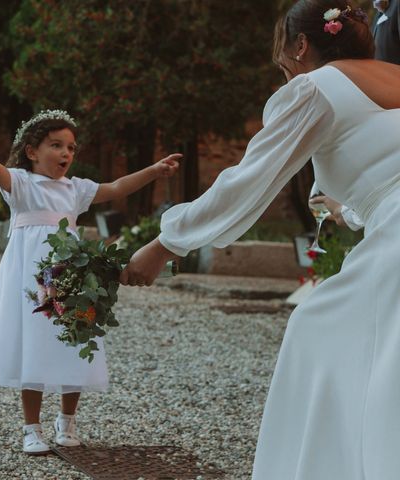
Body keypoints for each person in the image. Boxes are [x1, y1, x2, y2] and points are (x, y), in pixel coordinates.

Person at [121, 1, 400, 478]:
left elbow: (246, 182)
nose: (285, 71)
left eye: (282, 60)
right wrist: (352, 210)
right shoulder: (392, 75)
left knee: (317, 332)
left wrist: (165, 243)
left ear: (301, 45)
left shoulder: (317, 87)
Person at [0, 110, 181, 455]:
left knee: (74, 339)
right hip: (30, 277)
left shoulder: (75, 190)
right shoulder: (20, 183)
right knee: (32, 344)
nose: (66, 153)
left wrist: (154, 170)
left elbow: (118, 187)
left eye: (71, 148)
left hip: (70, 274)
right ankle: (31, 428)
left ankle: (67, 420)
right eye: (56, 145)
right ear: (32, 151)